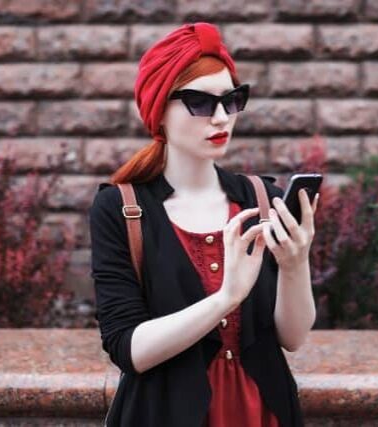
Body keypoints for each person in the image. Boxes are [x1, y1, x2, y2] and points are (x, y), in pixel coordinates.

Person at [88, 22, 319, 427]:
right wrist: (225, 298)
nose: (221, 117)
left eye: (232, 100)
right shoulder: (120, 208)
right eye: (199, 102)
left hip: (264, 411)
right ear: (159, 111)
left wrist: (295, 265)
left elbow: (293, 338)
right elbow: (128, 349)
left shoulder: (260, 198)